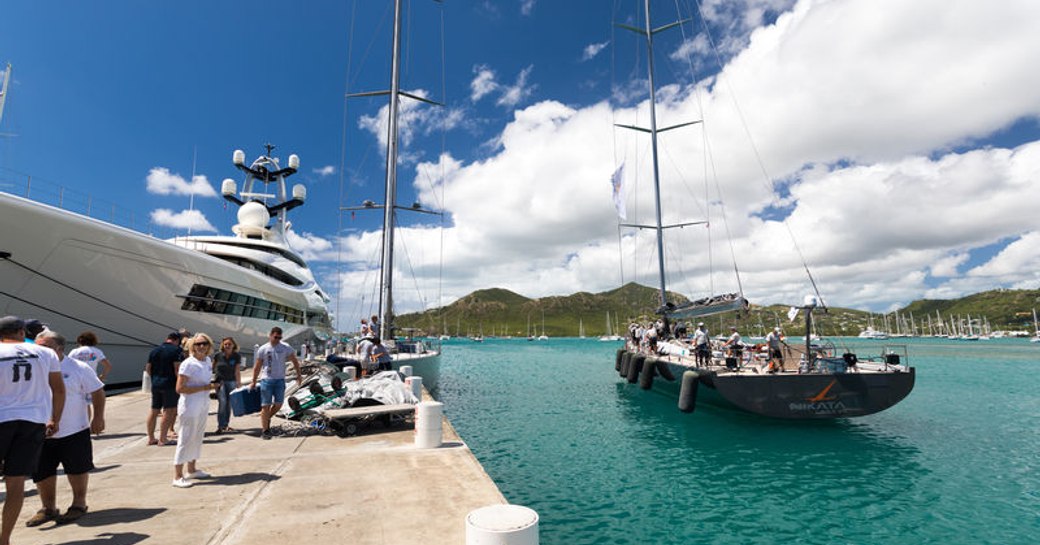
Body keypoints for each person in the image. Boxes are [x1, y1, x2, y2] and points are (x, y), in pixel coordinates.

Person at [26, 331, 105, 526]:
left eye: (43, 346)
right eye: (36, 346)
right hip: (40, 430)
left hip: (73, 428)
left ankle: (79, 503)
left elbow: (97, 391)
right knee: (42, 471)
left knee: (76, 468)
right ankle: (48, 508)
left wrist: (98, 417)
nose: (38, 351)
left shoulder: (78, 367)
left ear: (59, 349)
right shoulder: (32, 369)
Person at [0, 316, 65, 545]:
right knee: (15, 484)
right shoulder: (45, 353)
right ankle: (4, 539)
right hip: (33, 421)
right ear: (21, 331)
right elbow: (58, 390)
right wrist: (54, 419)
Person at [172, 334, 219, 488]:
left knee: (198, 436)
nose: (201, 346)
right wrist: (205, 388)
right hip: (189, 405)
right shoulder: (188, 364)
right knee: (185, 438)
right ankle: (177, 475)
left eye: (204, 343)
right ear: (192, 346)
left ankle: (191, 469)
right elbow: (179, 388)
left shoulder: (207, 361)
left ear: (209, 345)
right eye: (198, 344)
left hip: (203, 403)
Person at [250, 327, 302, 440]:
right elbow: (257, 366)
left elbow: (294, 360)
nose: (277, 339)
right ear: (270, 335)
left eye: (279, 337)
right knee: (265, 406)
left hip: (280, 380)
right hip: (266, 380)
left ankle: (267, 418)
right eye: (275, 337)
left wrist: (299, 375)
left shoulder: (285, 347)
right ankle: (265, 430)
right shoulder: (263, 349)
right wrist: (253, 381)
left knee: (279, 404)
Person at [146, 332, 183, 446]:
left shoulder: (154, 351)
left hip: (156, 384)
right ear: (177, 340)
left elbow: (148, 369)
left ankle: (151, 438)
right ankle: (163, 438)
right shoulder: (176, 350)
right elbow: (177, 369)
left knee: (154, 411)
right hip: (170, 384)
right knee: (169, 410)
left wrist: (155, 378)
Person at [212, 337, 242, 434]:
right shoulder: (218, 355)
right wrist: (212, 381)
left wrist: (239, 383)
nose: (227, 346)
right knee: (222, 402)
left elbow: (237, 370)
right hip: (220, 382)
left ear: (233, 345)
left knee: (229, 404)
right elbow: (212, 368)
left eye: (229, 344)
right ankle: (220, 426)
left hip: (231, 381)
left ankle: (225, 424)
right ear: (223, 345)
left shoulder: (236, 356)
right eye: (225, 344)